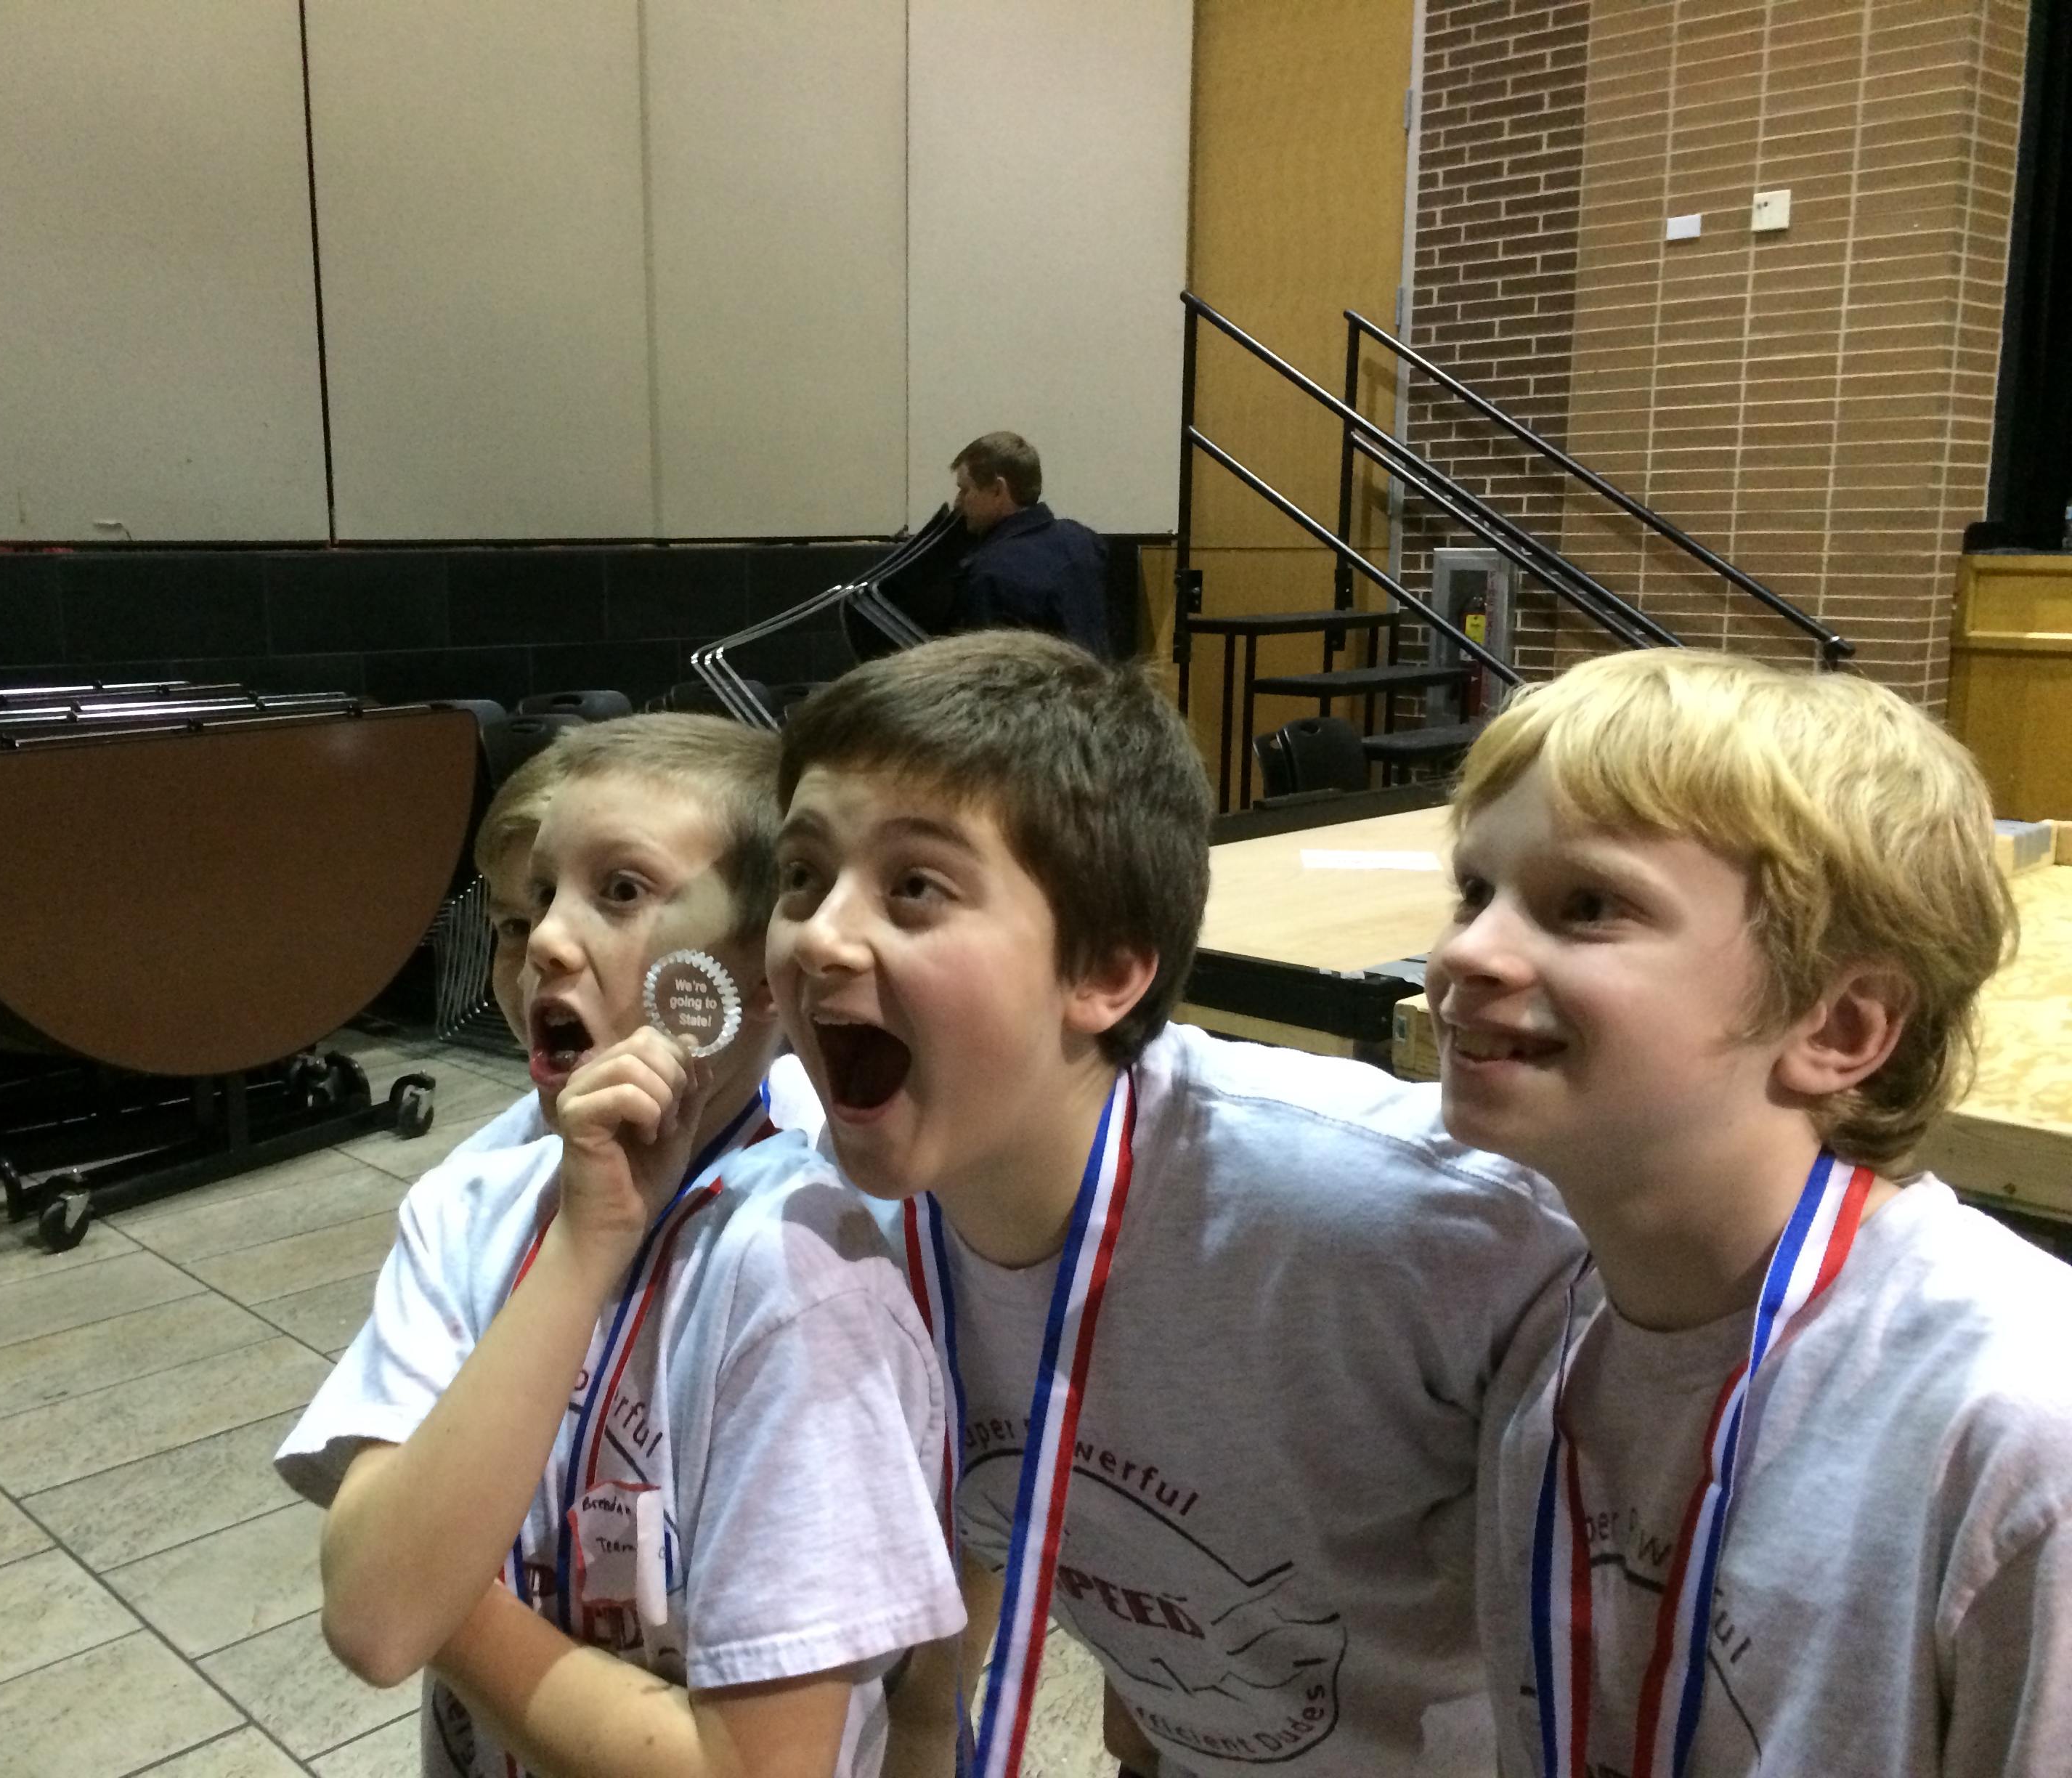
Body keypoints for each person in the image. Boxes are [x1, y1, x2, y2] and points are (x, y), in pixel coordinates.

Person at [763, 631, 1584, 1777]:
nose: (818, 934)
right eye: (803, 874)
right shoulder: (840, 1213)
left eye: (915, 887)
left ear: (1108, 973)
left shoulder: (1390, 1212)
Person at [277, 713, 963, 1778]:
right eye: (538, 899)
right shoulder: (467, 1207)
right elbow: (370, 1622)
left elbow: (755, 1767)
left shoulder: (800, 1277)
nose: (546, 942)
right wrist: (586, 1244)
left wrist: (440, 1583)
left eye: (622, 891)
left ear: (759, 970)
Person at [1425, 649, 2072, 1776]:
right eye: (1477, 892)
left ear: (1837, 1027)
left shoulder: (2016, 1434)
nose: (1465, 951)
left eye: (1589, 906)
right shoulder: (1546, 1347)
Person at [452, 738, 823, 1159]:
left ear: (769, 968)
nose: (541, 942)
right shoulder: (470, 1180)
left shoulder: (821, 1169)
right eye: (517, 925)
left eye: (623, 891)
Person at [948, 433, 1110, 658]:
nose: (958, 503)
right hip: (1097, 678)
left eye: (965, 490)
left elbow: (986, 673)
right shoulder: (1084, 540)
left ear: (997, 490)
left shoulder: (990, 574)